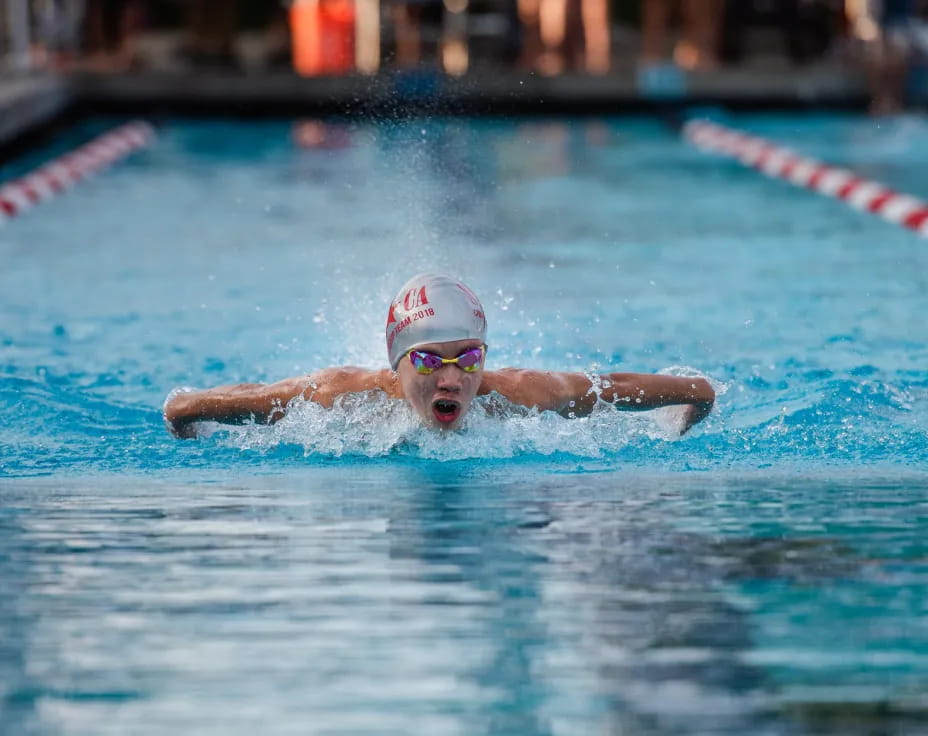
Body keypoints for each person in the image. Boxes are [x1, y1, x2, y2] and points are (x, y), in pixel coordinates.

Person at [163, 274, 716, 439]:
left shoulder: (522, 395)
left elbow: (688, 391)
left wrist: (684, 419)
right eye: (429, 361)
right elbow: (196, 406)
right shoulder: (339, 398)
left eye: (468, 358)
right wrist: (188, 420)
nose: (452, 378)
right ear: (397, 365)